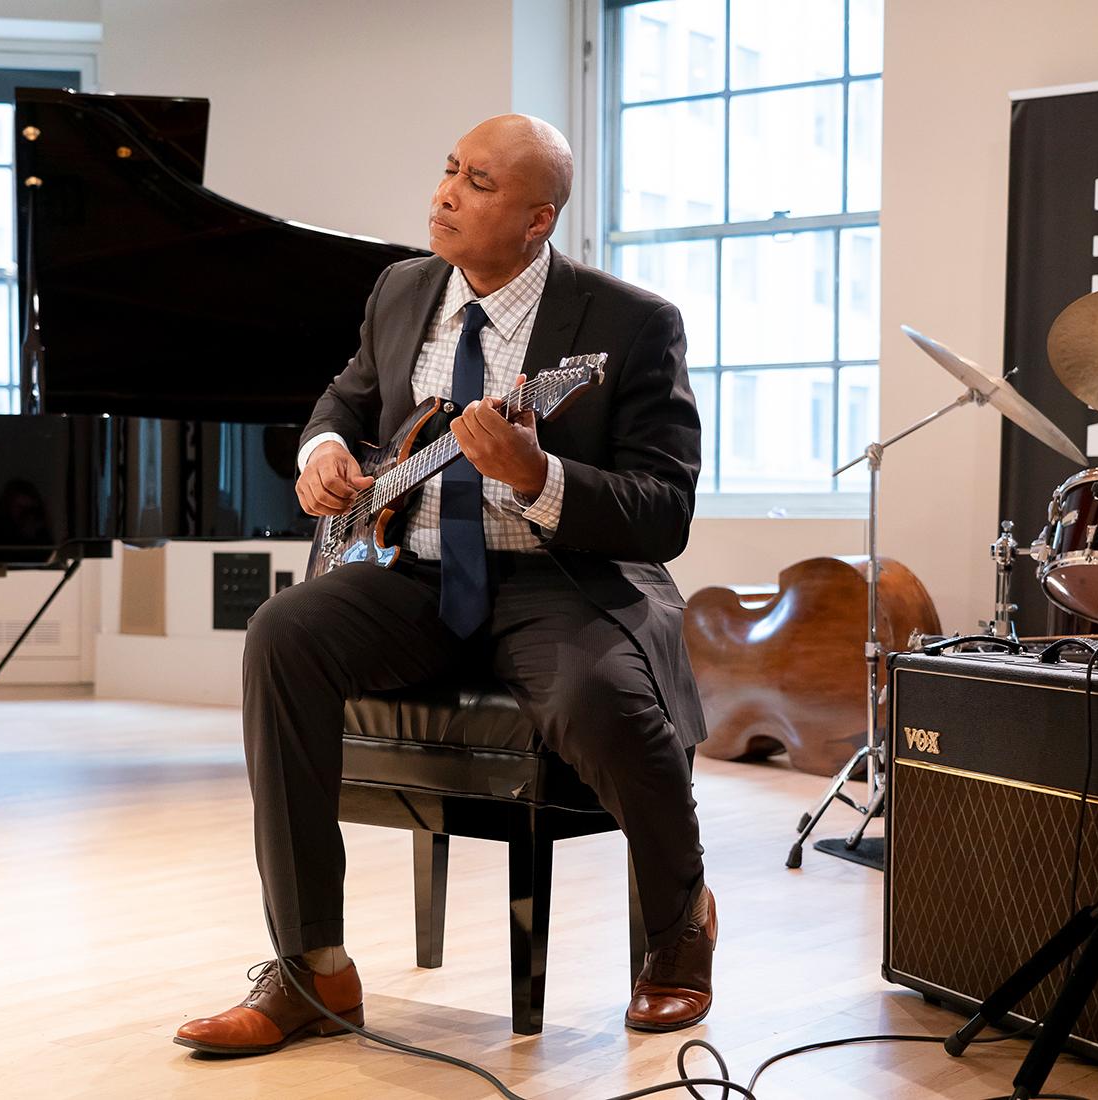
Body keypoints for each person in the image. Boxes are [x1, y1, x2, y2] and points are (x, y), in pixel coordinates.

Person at [175, 114, 712, 1057]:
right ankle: (312, 968)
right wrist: (325, 447)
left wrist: (536, 476)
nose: (446, 194)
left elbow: (663, 511)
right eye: (449, 171)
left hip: (556, 580)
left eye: (479, 183)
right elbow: (349, 394)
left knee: (595, 694)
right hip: (412, 575)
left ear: (538, 219)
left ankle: (679, 926)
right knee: (280, 634)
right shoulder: (402, 288)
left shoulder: (629, 325)